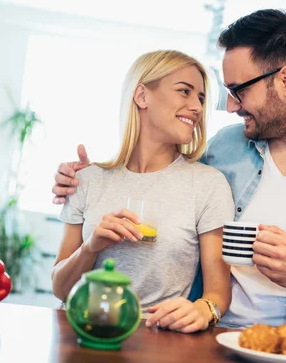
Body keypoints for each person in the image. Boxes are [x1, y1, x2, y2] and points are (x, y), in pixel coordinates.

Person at [51, 10, 286, 342]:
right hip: (214, 344)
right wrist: (79, 178)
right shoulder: (225, 148)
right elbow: (158, 168)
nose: (228, 106)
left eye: (238, 90)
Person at [51, 50, 234, 334]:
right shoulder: (86, 180)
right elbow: (60, 289)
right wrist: (92, 246)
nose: (197, 107)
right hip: (81, 335)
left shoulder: (209, 185)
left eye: (200, 97)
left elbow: (218, 292)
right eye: (184, 91)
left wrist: (203, 310)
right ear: (142, 96)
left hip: (157, 338)